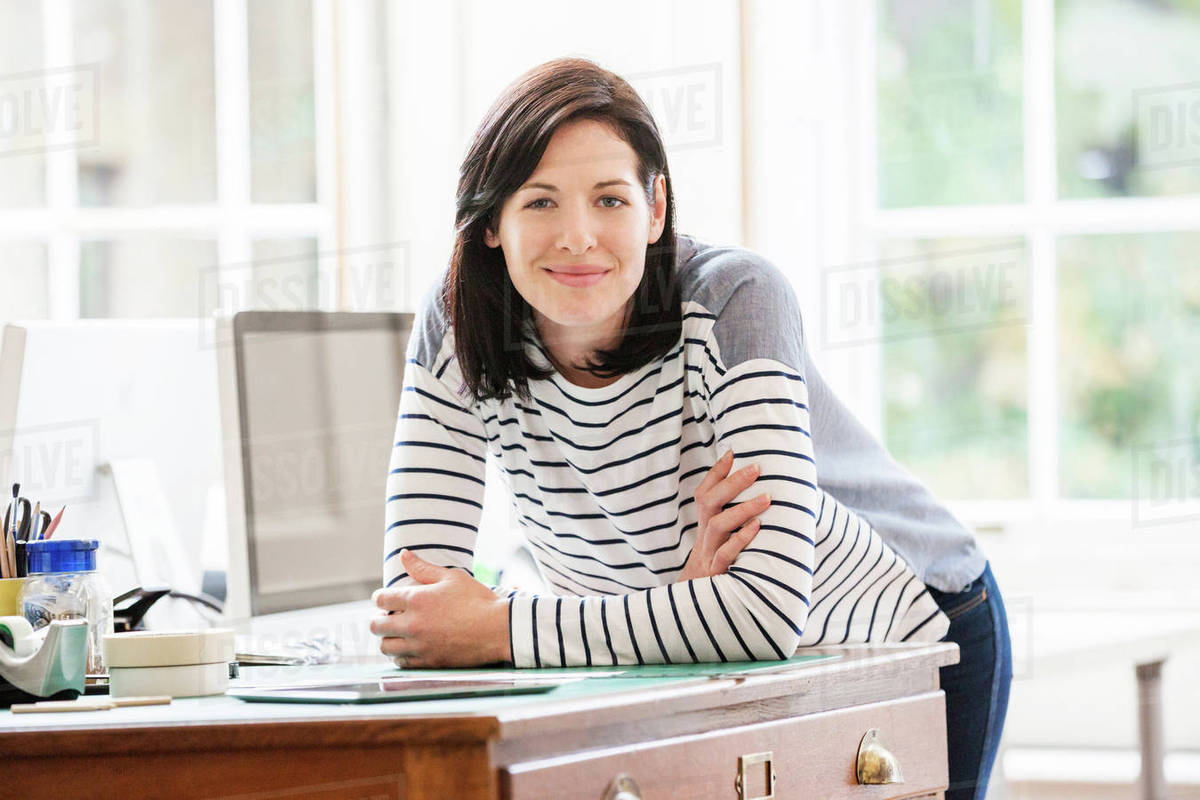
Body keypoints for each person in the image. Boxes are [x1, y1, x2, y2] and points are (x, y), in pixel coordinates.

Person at [371, 57, 1011, 800]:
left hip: (907, 619)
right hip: (693, 659)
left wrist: (499, 628)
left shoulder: (737, 299)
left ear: (656, 207)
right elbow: (414, 618)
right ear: (489, 223)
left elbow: (764, 613)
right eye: (540, 202)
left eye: (610, 199)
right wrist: (682, 606)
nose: (578, 237)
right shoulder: (455, 324)